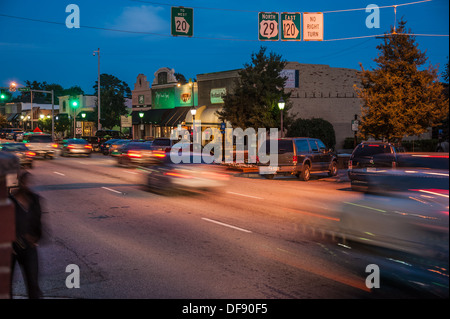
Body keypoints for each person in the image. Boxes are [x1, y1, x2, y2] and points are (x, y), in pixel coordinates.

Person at [9, 171, 43, 299]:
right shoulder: (9, 201)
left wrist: (36, 238)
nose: (27, 185)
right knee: (7, 284)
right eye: (24, 183)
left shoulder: (35, 200)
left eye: (29, 183)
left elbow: (39, 221)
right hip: (12, 248)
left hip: (29, 247)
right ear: (19, 183)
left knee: (33, 284)